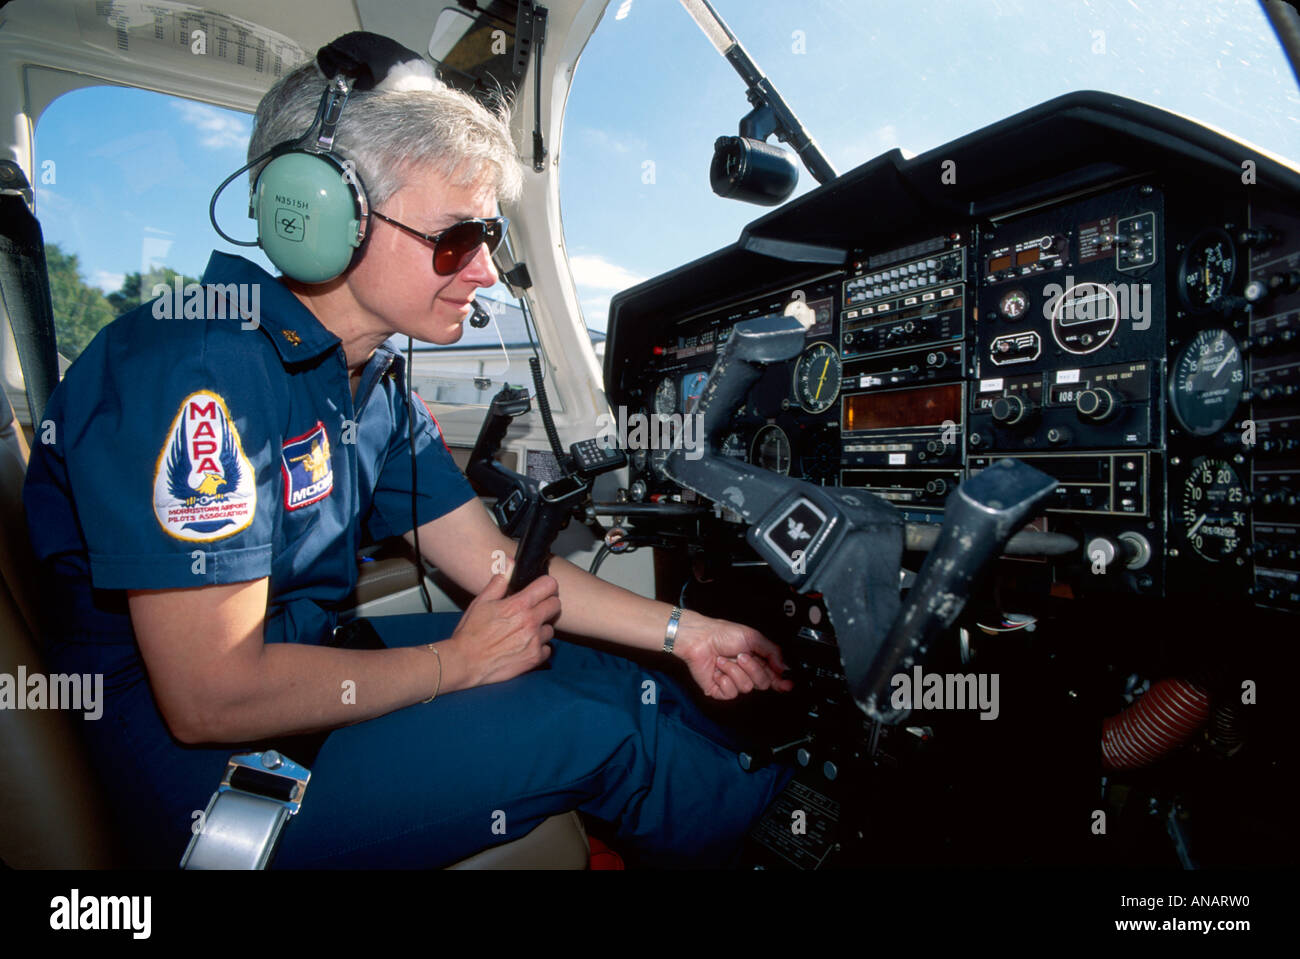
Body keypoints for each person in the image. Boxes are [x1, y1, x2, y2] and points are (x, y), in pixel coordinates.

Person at [22, 32, 794, 869]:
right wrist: (452, 663)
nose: (488, 274)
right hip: (198, 776)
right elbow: (211, 697)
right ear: (325, 217)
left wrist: (686, 632)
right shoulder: (197, 368)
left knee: (594, 669)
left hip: (302, 666)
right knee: (598, 730)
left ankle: (767, 792)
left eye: (491, 237)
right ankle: (787, 837)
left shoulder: (369, 383)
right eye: (457, 238)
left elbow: (494, 560)